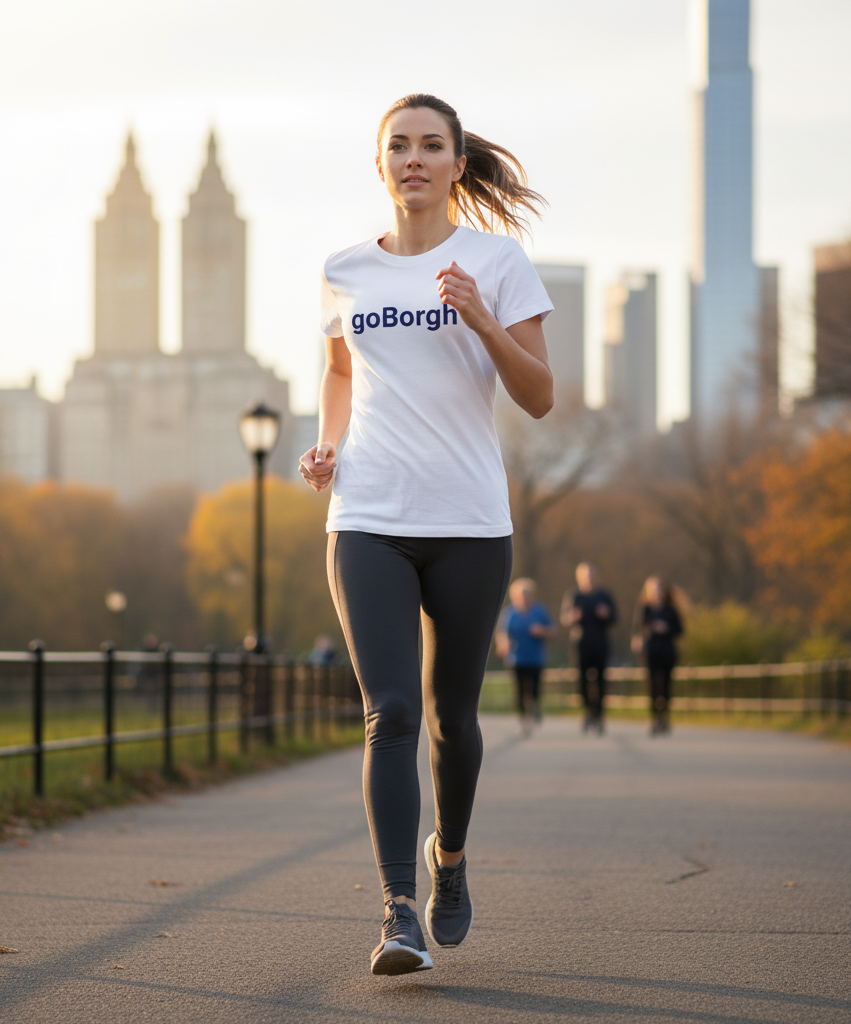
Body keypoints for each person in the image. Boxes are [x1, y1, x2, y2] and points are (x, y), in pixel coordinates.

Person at [298, 94, 553, 976]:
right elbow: (338, 370)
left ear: (455, 164)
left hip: (470, 522)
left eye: (431, 145)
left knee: (453, 719)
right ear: (381, 166)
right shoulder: (343, 270)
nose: (414, 158)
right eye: (398, 146)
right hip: (368, 515)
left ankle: (449, 860)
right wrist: (328, 442)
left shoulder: (497, 261)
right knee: (391, 711)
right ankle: (397, 910)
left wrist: (482, 319)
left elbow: (540, 394)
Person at [560, 563, 618, 734]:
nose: (590, 578)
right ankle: (587, 711)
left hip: (600, 643)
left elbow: (615, 618)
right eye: (586, 575)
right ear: (579, 578)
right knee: (581, 680)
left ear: (597, 576)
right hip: (580, 643)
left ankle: (598, 715)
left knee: (601, 680)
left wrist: (607, 615)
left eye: (592, 575)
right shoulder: (574, 595)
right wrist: (572, 617)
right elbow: (564, 619)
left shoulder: (605, 595)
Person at [496, 578, 557, 735]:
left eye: (526, 594)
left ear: (532, 595)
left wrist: (542, 630)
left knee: (534, 689)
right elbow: (502, 632)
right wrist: (503, 644)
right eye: (520, 594)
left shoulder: (540, 611)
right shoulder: (510, 613)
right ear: (514, 596)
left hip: (536, 658)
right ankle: (523, 720)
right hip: (516, 658)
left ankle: (535, 707)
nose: (524, 597)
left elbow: (553, 630)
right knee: (519, 690)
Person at [631, 576, 685, 736]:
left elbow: (680, 631)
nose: (656, 593)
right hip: (649, 652)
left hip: (667, 652)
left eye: (659, 589)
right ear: (648, 592)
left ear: (664, 591)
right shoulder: (644, 609)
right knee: (652, 685)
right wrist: (638, 638)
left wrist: (666, 629)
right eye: (653, 590)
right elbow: (637, 629)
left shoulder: (671, 610)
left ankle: (665, 717)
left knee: (666, 686)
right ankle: (654, 717)